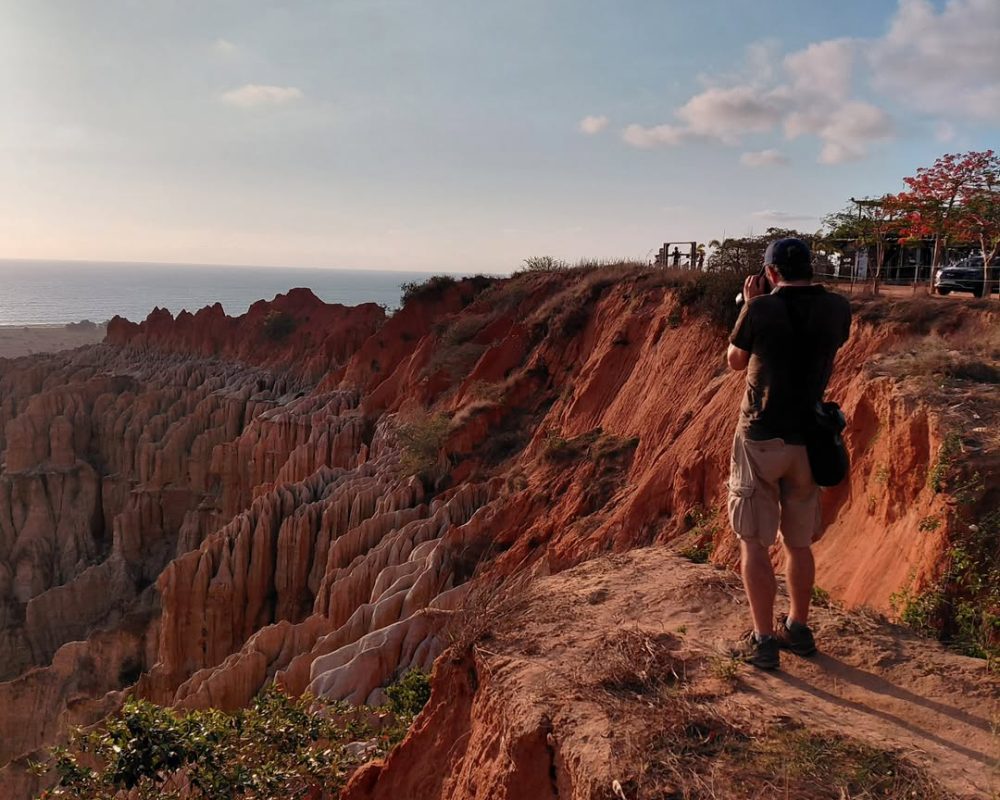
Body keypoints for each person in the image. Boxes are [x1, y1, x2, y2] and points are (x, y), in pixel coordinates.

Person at [725, 238, 851, 669]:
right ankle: (797, 627)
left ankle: (762, 641)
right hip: (809, 440)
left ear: (770, 272)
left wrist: (752, 304)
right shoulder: (837, 307)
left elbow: (735, 361)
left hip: (760, 438)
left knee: (755, 543)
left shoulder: (760, 308)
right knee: (798, 544)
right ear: (810, 268)